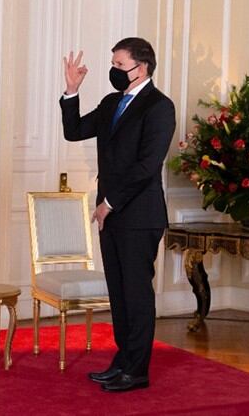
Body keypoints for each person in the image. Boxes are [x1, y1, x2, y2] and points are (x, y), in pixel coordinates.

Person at [59, 38, 175, 392]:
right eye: (113, 63)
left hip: (139, 214)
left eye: (119, 65)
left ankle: (137, 370)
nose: (114, 70)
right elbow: (74, 130)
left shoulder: (159, 107)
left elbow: (146, 166)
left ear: (142, 68)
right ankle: (123, 361)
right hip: (110, 213)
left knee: (137, 294)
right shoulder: (112, 102)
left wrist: (108, 203)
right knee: (120, 293)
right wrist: (71, 91)